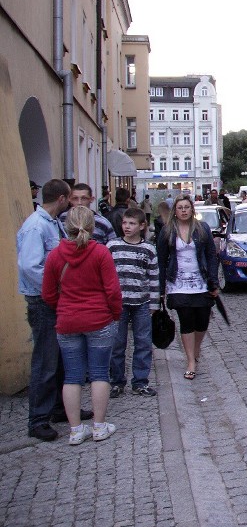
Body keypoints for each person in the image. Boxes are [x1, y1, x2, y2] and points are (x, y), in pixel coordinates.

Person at [41, 206, 122, 445]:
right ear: (92, 226)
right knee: (99, 373)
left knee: (72, 376)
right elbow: (113, 290)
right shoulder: (100, 253)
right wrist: (115, 314)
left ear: (66, 227)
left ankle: (76, 430)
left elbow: (47, 294)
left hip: (67, 320)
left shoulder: (55, 255)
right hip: (99, 319)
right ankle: (99, 426)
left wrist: (63, 307)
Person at [18, 179, 88, 442]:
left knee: (58, 359)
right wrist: (53, 289)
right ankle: (37, 419)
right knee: (46, 361)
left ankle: (59, 408)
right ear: (61, 199)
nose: (70, 203)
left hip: (52, 300)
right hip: (42, 301)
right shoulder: (36, 226)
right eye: (69, 198)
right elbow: (30, 266)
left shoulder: (52, 223)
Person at [157, 195, 220, 381]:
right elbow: (161, 260)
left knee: (202, 321)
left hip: (201, 282)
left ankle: (196, 348)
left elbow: (211, 255)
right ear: (175, 211)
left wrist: (214, 281)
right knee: (186, 320)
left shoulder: (202, 228)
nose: (183, 210)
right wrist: (161, 288)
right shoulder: (168, 231)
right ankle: (191, 360)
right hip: (178, 284)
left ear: (192, 209)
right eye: (180, 208)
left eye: (186, 207)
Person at [107, 207, 159, 398]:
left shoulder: (148, 249)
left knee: (143, 343)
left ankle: (140, 381)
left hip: (142, 302)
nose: (127, 227)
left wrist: (154, 304)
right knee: (117, 344)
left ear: (142, 226)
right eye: (125, 223)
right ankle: (117, 381)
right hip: (118, 303)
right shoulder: (112, 246)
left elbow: (154, 277)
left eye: (132, 223)